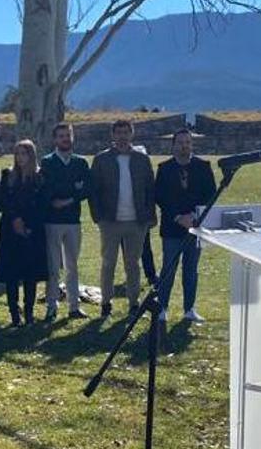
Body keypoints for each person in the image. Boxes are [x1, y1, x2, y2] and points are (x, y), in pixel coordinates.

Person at [89, 120, 155, 318]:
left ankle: (134, 303)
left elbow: (150, 189)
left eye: (126, 132)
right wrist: (98, 217)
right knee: (108, 263)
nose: (122, 136)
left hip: (136, 222)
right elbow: (94, 191)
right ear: (113, 135)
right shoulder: (102, 160)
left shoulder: (142, 160)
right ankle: (106, 302)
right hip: (110, 221)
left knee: (133, 264)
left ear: (131, 134)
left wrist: (150, 216)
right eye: (119, 133)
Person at [154, 128, 216, 324]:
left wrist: (194, 216)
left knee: (191, 269)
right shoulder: (164, 169)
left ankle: (189, 309)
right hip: (172, 228)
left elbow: (210, 195)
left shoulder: (203, 166)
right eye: (180, 142)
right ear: (173, 145)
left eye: (188, 142)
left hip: (196, 226)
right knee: (168, 269)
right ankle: (162, 307)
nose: (184, 146)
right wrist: (177, 217)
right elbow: (161, 197)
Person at [0, 140, 48, 326]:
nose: (20, 158)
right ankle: (14, 312)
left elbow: (42, 204)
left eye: (24, 154)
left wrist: (30, 225)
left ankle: (29, 311)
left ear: (31, 155)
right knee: (12, 274)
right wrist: (15, 219)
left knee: (30, 273)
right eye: (17, 154)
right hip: (10, 229)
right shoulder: (8, 175)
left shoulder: (39, 177)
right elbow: (3, 201)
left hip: (32, 230)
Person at [40, 122, 91, 321]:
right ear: (55, 139)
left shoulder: (80, 163)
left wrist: (70, 198)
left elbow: (87, 188)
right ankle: (52, 306)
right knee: (53, 266)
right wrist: (66, 194)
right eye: (61, 136)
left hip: (73, 220)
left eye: (68, 135)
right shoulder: (48, 162)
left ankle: (73, 306)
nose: (65, 139)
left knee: (72, 265)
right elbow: (48, 188)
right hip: (52, 221)